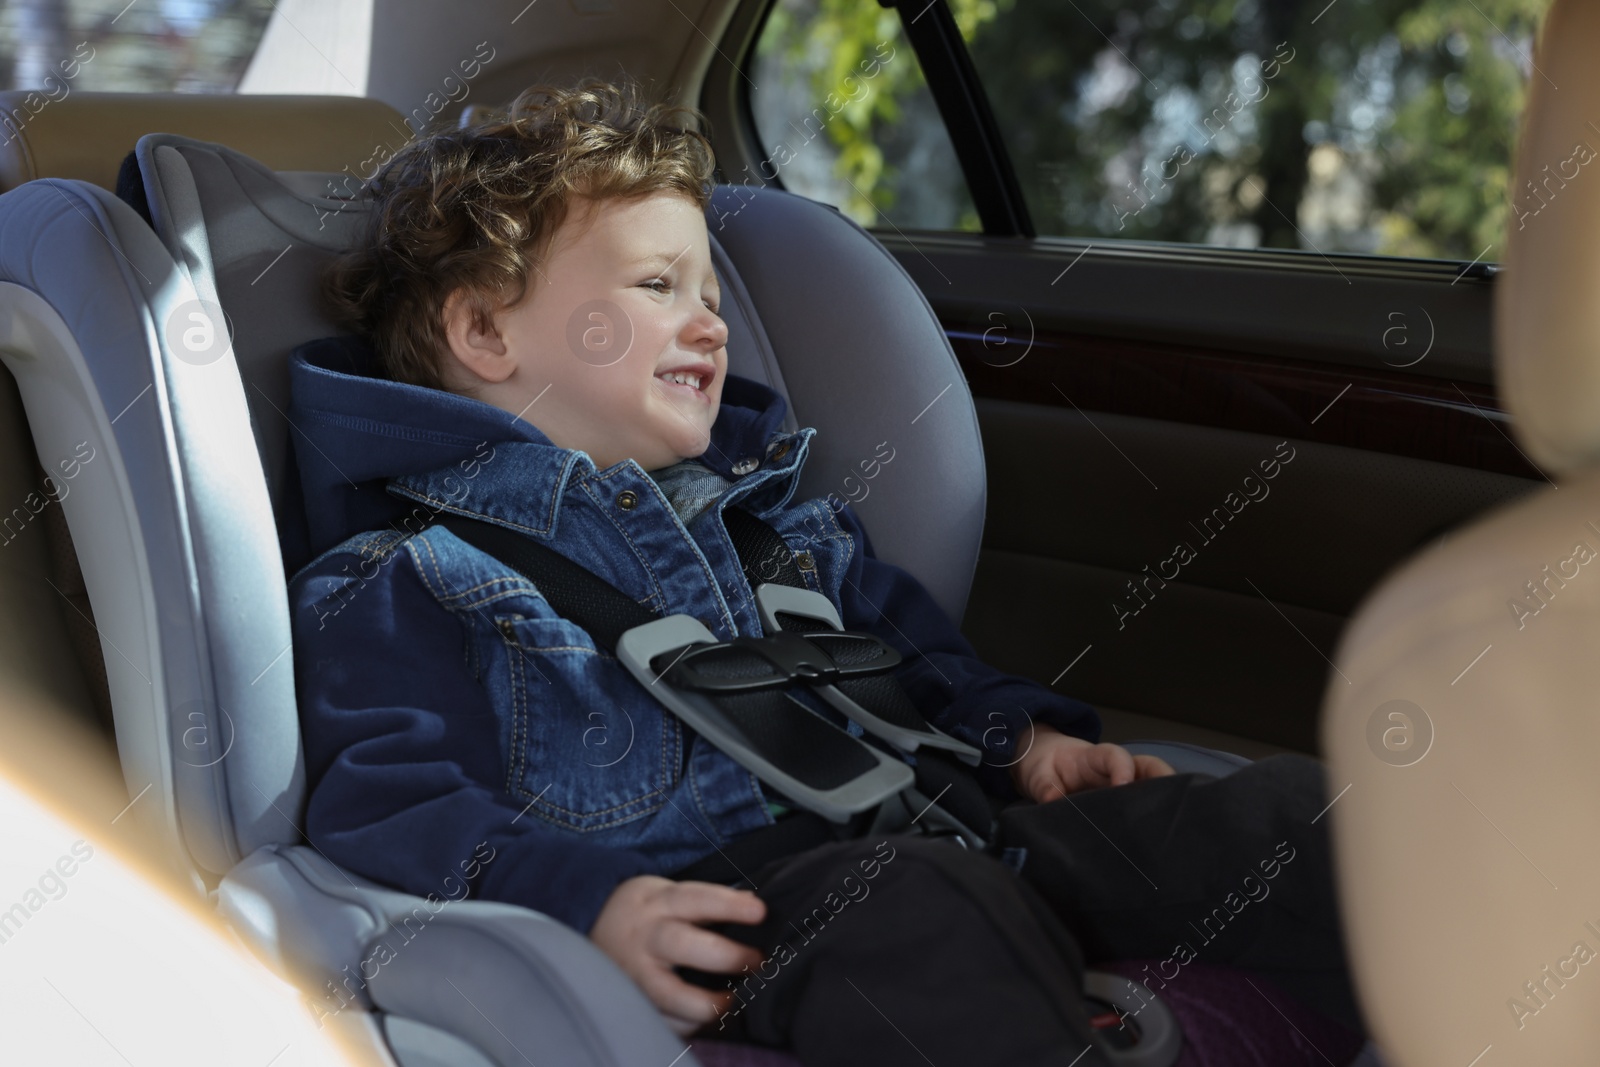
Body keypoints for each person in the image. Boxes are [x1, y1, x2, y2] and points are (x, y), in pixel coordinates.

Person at [286, 77, 1366, 1065]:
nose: (709, 322)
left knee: (1276, 814)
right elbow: (393, 800)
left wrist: (1026, 738)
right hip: (739, 909)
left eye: (710, 291)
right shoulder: (409, 576)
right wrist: (589, 901)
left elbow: (930, 665)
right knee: (918, 915)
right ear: (482, 328)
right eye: (660, 283)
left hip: (965, 831)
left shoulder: (783, 529)